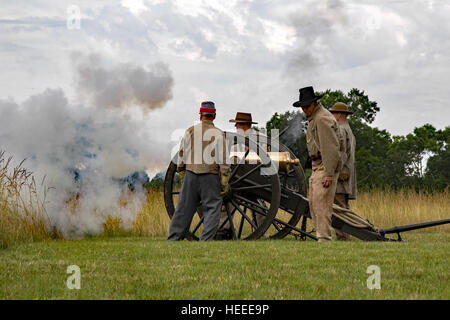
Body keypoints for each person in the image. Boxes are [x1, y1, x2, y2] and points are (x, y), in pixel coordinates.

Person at [168, 101, 230, 241]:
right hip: (210, 175)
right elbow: (224, 159)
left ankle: (174, 238)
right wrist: (225, 180)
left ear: (200, 114)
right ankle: (205, 240)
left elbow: (182, 154)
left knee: (183, 208)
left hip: (191, 174)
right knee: (213, 208)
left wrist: (182, 172)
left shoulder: (190, 131)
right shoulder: (219, 133)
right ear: (214, 116)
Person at [293, 86, 343, 242]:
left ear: (314, 103)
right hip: (317, 165)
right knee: (315, 204)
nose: (304, 109)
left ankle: (324, 238)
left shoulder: (321, 118)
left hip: (324, 165)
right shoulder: (316, 117)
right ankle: (321, 237)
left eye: (307, 106)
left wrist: (328, 173)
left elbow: (330, 147)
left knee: (322, 206)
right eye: (303, 106)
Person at [215, 112, 261, 240]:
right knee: (227, 205)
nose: (235, 126)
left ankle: (261, 230)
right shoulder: (234, 140)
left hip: (255, 179)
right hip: (237, 180)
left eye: (238, 123)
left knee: (260, 207)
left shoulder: (259, 138)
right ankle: (224, 230)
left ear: (245, 125)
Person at [330, 102, 357, 240]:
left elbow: (341, 154)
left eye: (333, 113)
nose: (332, 116)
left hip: (340, 175)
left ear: (339, 115)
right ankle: (345, 235)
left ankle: (343, 236)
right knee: (343, 207)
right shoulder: (348, 129)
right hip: (346, 174)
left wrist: (331, 170)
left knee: (338, 208)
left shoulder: (341, 129)